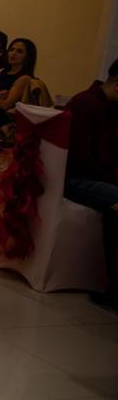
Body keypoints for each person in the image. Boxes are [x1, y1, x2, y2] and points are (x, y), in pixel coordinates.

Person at [63, 58, 118, 310]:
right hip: (77, 179)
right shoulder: (85, 105)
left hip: (99, 176)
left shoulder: (109, 108)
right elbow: (81, 160)